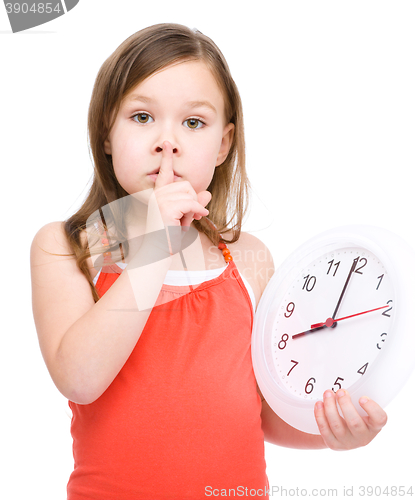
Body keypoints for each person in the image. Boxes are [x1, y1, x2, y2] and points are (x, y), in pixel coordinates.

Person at [30, 23, 388, 499]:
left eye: (193, 122)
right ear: (106, 133)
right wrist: (155, 242)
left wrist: (333, 432)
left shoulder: (248, 259)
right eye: (141, 117)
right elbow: (80, 378)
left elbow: (262, 416)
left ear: (223, 143)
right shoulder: (69, 247)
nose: (167, 141)